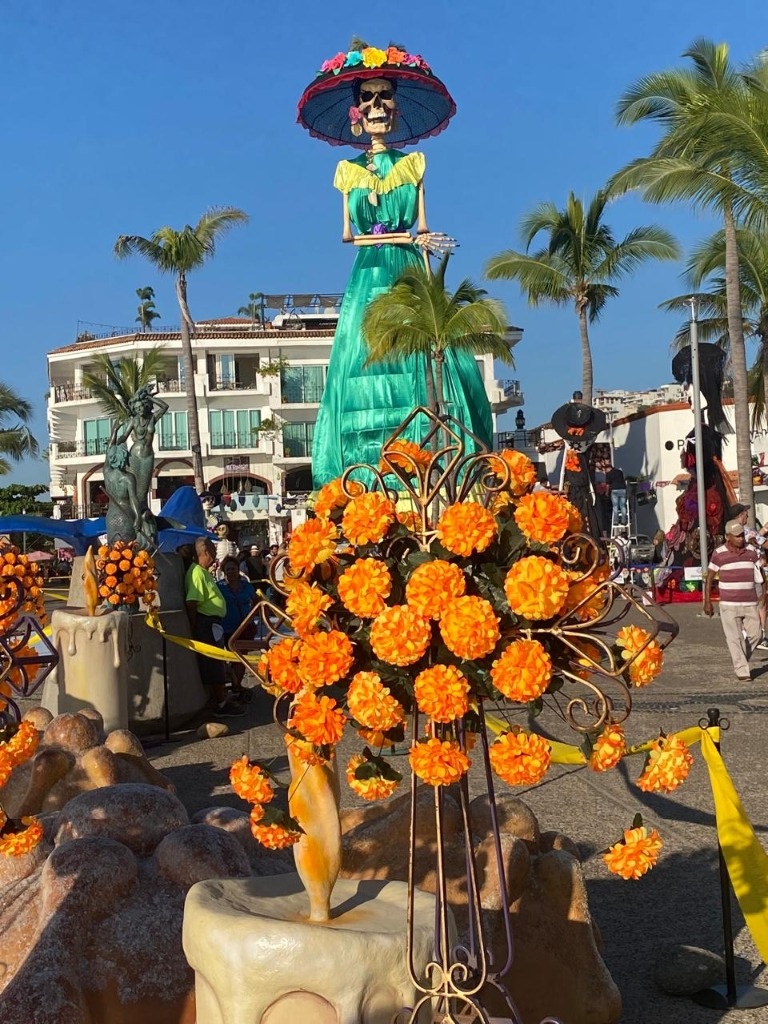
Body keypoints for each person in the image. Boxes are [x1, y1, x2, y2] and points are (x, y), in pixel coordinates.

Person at [298, 45, 492, 487]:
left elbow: (423, 225)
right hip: (370, 271)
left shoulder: (413, 164)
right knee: (363, 362)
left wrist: (418, 240)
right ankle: (366, 476)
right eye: (368, 97)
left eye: (384, 96)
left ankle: (437, 462)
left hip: (409, 268)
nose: (377, 106)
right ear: (356, 111)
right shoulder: (347, 170)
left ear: (397, 106)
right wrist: (405, 236)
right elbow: (349, 235)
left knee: (429, 356)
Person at [184, 536, 245, 717]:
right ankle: (219, 703)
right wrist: (194, 627)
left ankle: (221, 698)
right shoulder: (196, 573)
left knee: (218, 662)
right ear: (205, 553)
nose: (214, 557)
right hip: (206, 623)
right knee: (213, 664)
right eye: (212, 552)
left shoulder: (203, 572)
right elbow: (192, 602)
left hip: (213, 623)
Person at [704, 520, 765, 681]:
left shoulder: (751, 552)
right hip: (728, 604)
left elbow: (761, 573)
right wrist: (707, 601)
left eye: (742, 535)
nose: (740, 538)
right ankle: (742, 670)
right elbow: (710, 577)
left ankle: (740, 659)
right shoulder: (719, 553)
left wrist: (764, 593)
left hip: (750, 602)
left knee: (757, 634)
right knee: (733, 638)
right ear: (727, 537)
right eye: (737, 536)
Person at [218, 556, 257, 700]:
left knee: (242, 658)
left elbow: (256, 601)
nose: (231, 572)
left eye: (233, 569)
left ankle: (237, 685)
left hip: (245, 627)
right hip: (228, 628)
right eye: (228, 569)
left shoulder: (247, 586)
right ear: (223, 571)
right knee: (232, 657)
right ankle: (235, 684)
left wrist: (252, 616)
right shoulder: (219, 587)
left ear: (238, 569)